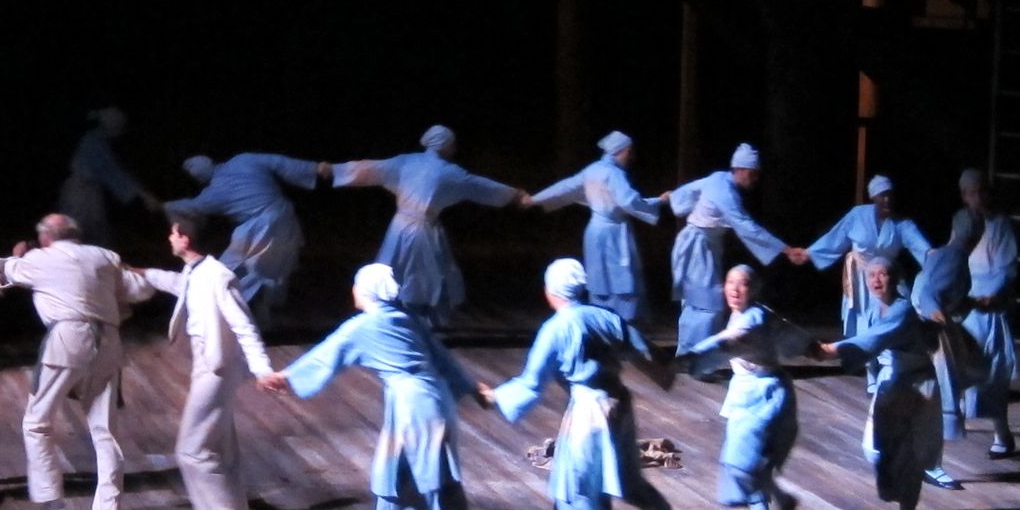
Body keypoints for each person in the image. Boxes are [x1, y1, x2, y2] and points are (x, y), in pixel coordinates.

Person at [257, 263, 486, 510]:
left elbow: (327, 355)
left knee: (411, 481)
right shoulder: (406, 318)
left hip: (414, 408)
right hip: (436, 400)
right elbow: (443, 358)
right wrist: (471, 388)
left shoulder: (364, 325)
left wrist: (286, 377)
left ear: (366, 291)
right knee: (424, 477)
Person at [491, 258, 674, 510]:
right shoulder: (604, 316)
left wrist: (496, 397)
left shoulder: (556, 328)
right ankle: (658, 506)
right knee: (621, 472)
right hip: (618, 402)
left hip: (590, 413)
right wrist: (666, 372)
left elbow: (532, 382)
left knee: (578, 486)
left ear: (552, 291)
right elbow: (641, 349)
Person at [0, 213, 154, 510]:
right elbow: (139, 290)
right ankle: (108, 509)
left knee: (37, 422)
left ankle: (49, 496)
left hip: (68, 341)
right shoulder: (104, 256)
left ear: (45, 237)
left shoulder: (39, 259)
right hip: (108, 343)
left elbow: (9, 270)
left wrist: (19, 254)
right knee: (105, 429)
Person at [136, 211, 276, 510]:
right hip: (209, 366)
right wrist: (144, 273)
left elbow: (244, 326)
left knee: (192, 449)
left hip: (217, 370)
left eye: (173, 233)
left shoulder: (219, 277)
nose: (169, 238)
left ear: (185, 239)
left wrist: (262, 369)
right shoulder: (196, 271)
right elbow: (180, 285)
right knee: (220, 450)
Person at [332, 125, 527, 326]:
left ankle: (396, 317)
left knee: (398, 270)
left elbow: (371, 168)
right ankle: (416, 321)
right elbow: (480, 186)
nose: (454, 148)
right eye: (452, 144)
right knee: (422, 276)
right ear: (445, 145)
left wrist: (334, 171)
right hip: (420, 231)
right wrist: (514, 195)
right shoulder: (448, 172)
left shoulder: (407, 162)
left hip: (400, 227)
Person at [676, 265, 806, 510]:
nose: (735, 289)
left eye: (743, 283)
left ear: (754, 289)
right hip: (746, 392)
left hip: (765, 394)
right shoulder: (741, 314)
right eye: (730, 282)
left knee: (742, 465)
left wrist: (690, 357)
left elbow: (729, 341)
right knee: (747, 466)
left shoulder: (755, 317)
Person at [817, 254, 942, 510]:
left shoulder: (903, 310)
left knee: (910, 453)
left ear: (895, 278)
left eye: (883, 274)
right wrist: (872, 381)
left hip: (916, 385)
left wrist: (832, 350)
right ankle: (898, 495)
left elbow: (871, 341)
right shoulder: (875, 310)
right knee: (875, 447)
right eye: (871, 275)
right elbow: (870, 348)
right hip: (892, 382)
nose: (876, 280)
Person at [164, 151, 333, 327]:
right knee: (269, 274)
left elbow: (192, 207)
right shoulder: (243, 161)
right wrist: (315, 168)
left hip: (261, 230)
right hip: (287, 221)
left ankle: (225, 317)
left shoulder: (214, 193)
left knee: (228, 272)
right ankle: (257, 321)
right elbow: (279, 162)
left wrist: (165, 206)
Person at [667, 143, 804, 360]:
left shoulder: (719, 179)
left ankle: (692, 355)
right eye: (752, 173)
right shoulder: (726, 193)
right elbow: (747, 227)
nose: (754, 178)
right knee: (705, 303)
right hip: (698, 246)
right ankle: (692, 357)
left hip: (702, 244)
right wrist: (786, 249)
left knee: (698, 301)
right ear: (740, 169)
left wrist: (675, 199)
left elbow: (690, 190)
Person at [526, 131, 667, 323]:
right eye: (630, 152)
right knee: (620, 277)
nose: (632, 157)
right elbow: (629, 201)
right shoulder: (614, 174)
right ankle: (621, 321)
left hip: (595, 231)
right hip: (613, 232)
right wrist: (659, 201)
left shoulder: (592, 170)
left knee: (599, 278)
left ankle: (601, 317)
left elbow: (565, 187)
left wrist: (535, 199)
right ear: (624, 151)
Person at [802, 174, 932, 337]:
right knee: (862, 322)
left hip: (886, 277)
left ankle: (891, 347)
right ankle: (861, 348)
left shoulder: (901, 224)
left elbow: (921, 246)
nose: (886, 200)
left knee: (893, 316)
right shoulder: (858, 215)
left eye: (889, 195)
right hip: (861, 279)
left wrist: (936, 258)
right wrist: (810, 253)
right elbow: (835, 237)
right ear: (874, 197)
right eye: (882, 196)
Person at [910, 227, 989, 490]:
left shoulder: (949, 255)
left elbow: (942, 294)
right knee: (935, 394)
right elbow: (928, 294)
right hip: (930, 331)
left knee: (932, 394)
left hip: (933, 328)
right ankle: (929, 464)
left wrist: (971, 303)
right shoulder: (952, 257)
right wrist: (935, 313)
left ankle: (925, 461)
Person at [954, 168, 1019, 457]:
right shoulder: (962, 221)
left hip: (989, 303)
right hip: (965, 301)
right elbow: (953, 255)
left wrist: (990, 297)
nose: (977, 197)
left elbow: (1006, 268)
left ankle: (1002, 434)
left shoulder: (1000, 224)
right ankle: (950, 421)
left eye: (981, 191)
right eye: (971, 193)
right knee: (958, 363)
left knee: (993, 372)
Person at [55, 105, 161, 249]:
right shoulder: (94, 142)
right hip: (81, 193)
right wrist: (143, 195)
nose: (122, 130)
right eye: (120, 126)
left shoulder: (97, 140)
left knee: (90, 234)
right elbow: (113, 173)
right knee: (80, 234)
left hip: (87, 192)